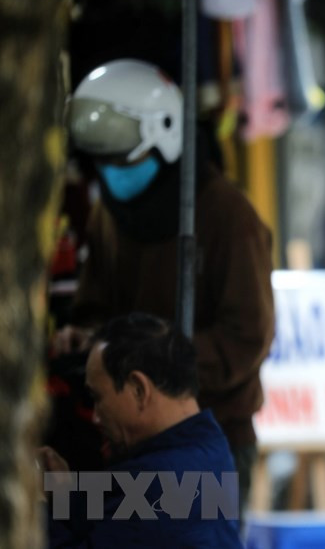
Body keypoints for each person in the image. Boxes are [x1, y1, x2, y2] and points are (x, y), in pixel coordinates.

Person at [53, 59, 274, 507]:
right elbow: (95, 307)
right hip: (125, 438)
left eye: (125, 161)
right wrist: (86, 339)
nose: (115, 174)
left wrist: (157, 367)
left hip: (214, 434)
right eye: (106, 163)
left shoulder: (227, 216)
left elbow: (248, 336)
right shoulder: (108, 214)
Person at [39, 313, 242, 547]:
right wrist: (63, 493)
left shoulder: (164, 483)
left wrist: (34, 507)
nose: (95, 416)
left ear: (138, 389)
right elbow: (119, 518)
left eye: (97, 398)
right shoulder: (209, 447)